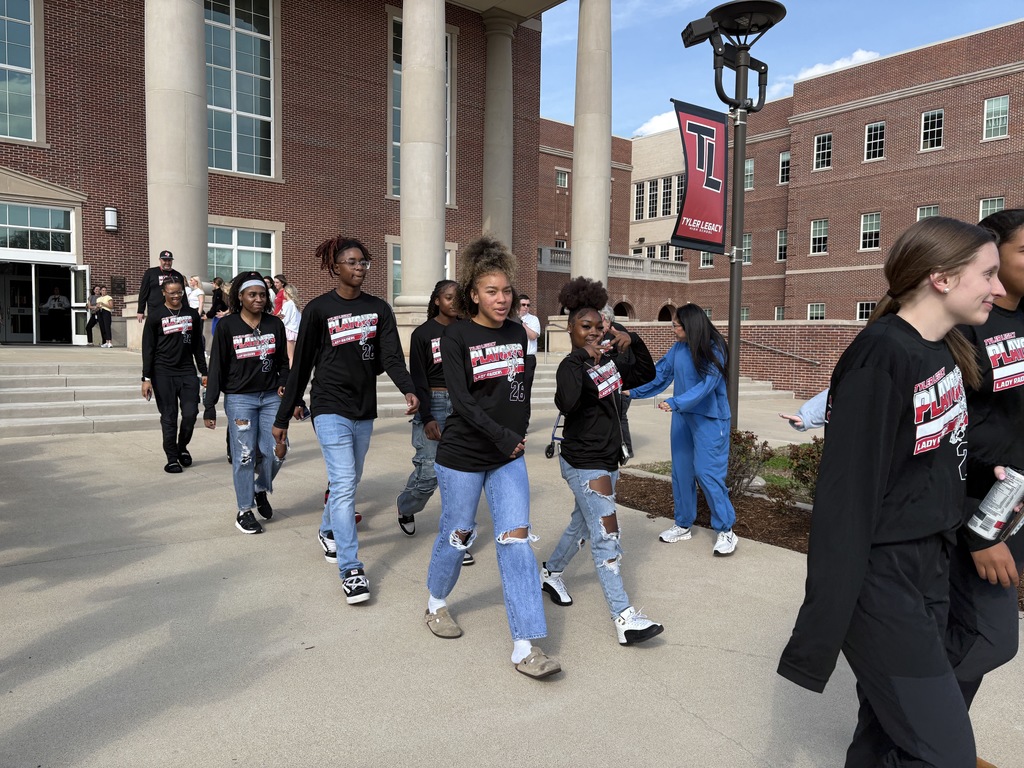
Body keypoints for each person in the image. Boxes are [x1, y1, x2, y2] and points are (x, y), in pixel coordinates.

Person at [777, 216, 1004, 766]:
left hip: (930, 566)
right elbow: (846, 500)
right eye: (989, 274)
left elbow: (923, 458)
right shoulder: (880, 355)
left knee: (883, 736)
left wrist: (980, 483)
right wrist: (821, 627)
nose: (999, 289)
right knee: (946, 751)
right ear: (942, 279)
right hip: (883, 581)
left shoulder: (942, 349)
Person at [422, 235, 560, 680]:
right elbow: (461, 399)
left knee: (516, 540)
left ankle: (525, 646)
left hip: (507, 455)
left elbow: (518, 388)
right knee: (458, 532)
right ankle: (437, 602)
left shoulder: (518, 333)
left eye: (506, 291)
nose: (501, 300)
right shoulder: (456, 334)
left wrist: (515, 432)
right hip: (463, 453)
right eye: (491, 291)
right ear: (473, 294)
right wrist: (505, 436)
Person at [272, 236, 418, 605]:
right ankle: (351, 569)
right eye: (352, 262)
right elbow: (301, 364)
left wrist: (408, 389)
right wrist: (283, 415)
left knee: (348, 479)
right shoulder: (319, 310)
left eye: (364, 262)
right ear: (335, 267)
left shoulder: (379, 308)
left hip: (363, 408)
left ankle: (326, 529)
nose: (359, 268)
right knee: (343, 482)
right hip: (328, 404)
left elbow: (390, 357)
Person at [538, 276, 663, 646]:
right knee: (606, 533)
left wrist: (632, 340)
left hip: (608, 460)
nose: (593, 333)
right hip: (584, 463)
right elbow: (569, 403)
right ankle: (625, 618)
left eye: (598, 326)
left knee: (583, 523)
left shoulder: (610, 362)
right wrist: (582, 357)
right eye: (584, 327)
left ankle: (551, 572)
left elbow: (647, 374)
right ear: (571, 329)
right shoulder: (569, 366)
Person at [944, 209, 1024, 768]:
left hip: (1012, 506)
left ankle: (940, 743)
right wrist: (979, 530)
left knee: (966, 634)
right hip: (971, 511)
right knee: (990, 637)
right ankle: (916, 730)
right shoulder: (968, 325)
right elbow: (942, 438)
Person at [629, 304, 739, 556]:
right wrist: (631, 392)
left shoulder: (715, 348)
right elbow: (660, 375)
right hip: (682, 418)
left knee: (707, 473)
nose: (673, 329)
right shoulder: (678, 347)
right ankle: (683, 524)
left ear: (691, 326)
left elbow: (707, 386)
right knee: (681, 473)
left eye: (676, 325)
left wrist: (676, 402)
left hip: (709, 419)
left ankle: (726, 530)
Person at [203, 271, 290, 535]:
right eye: (252, 294)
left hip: (271, 397)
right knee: (244, 456)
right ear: (240, 297)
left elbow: (283, 363)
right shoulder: (228, 326)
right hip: (240, 399)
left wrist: (286, 383)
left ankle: (260, 488)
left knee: (278, 450)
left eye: (263, 294)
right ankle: (244, 510)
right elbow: (216, 366)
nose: (259, 299)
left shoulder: (275, 325)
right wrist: (210, 405)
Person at [396, 279, 473, 564]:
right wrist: (426, 416)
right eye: (449, 297)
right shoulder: (423, 334)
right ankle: (405, 505)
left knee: (460, 475)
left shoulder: (467, 330)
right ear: (437, 300)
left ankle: (457, 536)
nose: (454, 302)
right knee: (429, 475)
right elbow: (418, 377)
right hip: (435, 402)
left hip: (463, 404)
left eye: (458, 297)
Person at [141, 275, 208, 473]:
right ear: (164, 293)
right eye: (172, 293)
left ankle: (182, 448)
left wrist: (204, 372)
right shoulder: (155, 315)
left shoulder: (192, 315)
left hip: (187, 371)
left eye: (179, 292)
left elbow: (198, 346)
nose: (176, 296)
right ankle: (172, 458)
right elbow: (148, 348)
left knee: (190, 414)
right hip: (163, 372)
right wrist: (146, 378)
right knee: (169, 416)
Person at [599, 304, 635, 460]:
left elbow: (625, 359)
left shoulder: (619, 332)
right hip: (607, 383)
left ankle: (626, 449)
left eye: (601, 323)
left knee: (620, 416)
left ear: (606, 319)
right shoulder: (602, 333)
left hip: (623, 384)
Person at [136, 250, 186, 322]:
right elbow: (143, 292)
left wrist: (186, 309)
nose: (167, 263)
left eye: (169, 260)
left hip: (173, 310)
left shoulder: (177, 275)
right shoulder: (150, 272)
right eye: (164, 260)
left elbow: (183, 294)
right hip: (154, 309)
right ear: (160, 260)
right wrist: (140, 310)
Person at [518, 294, 541, 398]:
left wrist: (521, 324)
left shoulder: (533, 319)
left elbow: (533, 336)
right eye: (523, 304)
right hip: (514, 357)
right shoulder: (509, 318)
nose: (526, 307)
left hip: (528, 358)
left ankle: (525, 414)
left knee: (526, 390)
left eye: (528, 305)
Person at [277, 282, 301, 368]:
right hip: (296, 331)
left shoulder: (288, 304)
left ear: (286, 292)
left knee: (290, 356)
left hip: (289, 331)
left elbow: (284, 319)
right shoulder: (296, 304)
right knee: (294, 356)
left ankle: (291, 376)